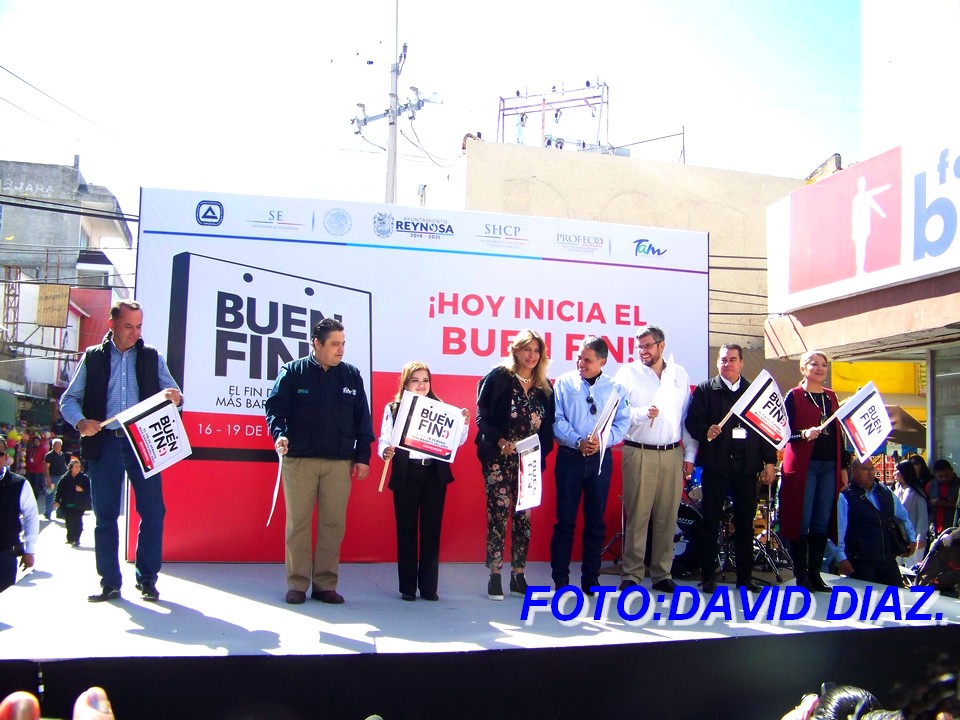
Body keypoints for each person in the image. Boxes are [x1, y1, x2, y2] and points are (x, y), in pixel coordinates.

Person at [60, 299, 183, 603]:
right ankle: (110, 583)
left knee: (153, 511)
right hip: (105, 442)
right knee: (105, 515)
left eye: (139, 326)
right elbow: (68, 400)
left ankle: (148, 580)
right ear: (111, 324)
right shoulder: (92, 357)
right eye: (128, 326)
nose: (135, 332)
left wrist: (176, 398)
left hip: (143, 440)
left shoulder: (152, 356)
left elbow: (175, 396)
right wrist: (81, 422)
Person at [265, 318, 375, 605]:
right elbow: (275, 409)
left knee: (333, 525)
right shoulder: (292, 372)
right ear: (316, 343)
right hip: (299, 461)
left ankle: (325, 584)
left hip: (339, 463)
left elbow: (362, 418)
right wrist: (279, 435)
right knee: (298, 524)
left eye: (343, 344)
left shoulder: (351, 375)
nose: (341, 350)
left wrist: (363, 456)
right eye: (335, 344)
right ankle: (297, 584)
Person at [685, 343, 777, 592]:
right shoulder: (706, 390)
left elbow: (766, 430)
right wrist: (706, 431)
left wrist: (769, 461)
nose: (728, 364)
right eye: (723, 360)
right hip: (716, 467)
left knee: (745, 523)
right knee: (710, 522)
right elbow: (692, 422)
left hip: (747, 469)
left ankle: (745, 577)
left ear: (742, 362)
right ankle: (708, 575)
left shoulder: (753, 392)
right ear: (718, 362)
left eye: (733, 359)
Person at [613, 326, 697, 593]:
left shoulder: (679, 374)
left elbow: (687, 418)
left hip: (672, 453)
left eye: (648, 345)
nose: (643, 351)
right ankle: (632, 573)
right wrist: (641, 413)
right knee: (638, 515)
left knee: (667, 517)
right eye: (639, 346)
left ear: (662, 345)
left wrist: (690, 454)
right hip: (639, 450)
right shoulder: (627, 373)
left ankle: (662, 574)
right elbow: (616, 411)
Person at [378, 361, 469, 601]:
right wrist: (385, 451)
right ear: (405, 383)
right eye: (415, 380)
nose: (421, 385)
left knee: (431, 531)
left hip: (433, 474)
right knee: (406, 530)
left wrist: (463, 424)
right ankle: (407, 588)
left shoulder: (441, 408)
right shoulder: (394, 408)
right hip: (406, 473)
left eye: (425, 380)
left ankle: (429, 588)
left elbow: (455, 442)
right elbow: (384, 439)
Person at [476, 329, 555, 600]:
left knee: (524, 518)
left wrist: (540, 455)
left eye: (536, 351)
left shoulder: (544, 387)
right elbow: (482, 417)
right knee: (498, 515)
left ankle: (518, 575)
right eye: (527, 350)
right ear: (516, 351)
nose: (532, 356)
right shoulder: (499, 377)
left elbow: (548, 428)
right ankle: (495, 575)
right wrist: (500, 441)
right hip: (498, 459)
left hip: (528, 462)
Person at [549, 336, 630, 593]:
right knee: (565, 521)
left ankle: (591, 580)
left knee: (595, 522)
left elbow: (623, 423)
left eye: (587, 360)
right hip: (570, 458)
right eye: (578, 358)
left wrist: (602, 441)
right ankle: (561, 580)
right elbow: (556, 419)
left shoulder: (616, 388)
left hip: (600, 459)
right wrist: (578, 441)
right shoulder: (564, 383)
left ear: (602, 362)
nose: (580, 363)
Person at [779, 351, 847, 592]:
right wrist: (803, 434)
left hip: (829, 465)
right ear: (802, 368)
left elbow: (839, 434)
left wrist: (843, 466)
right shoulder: (794, 396)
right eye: (814, 364)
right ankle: (801, 574)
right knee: (803, 519)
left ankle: (815, 573)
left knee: (822, 520)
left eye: (823, 365)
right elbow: (783, 433)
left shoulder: (831, 397)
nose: (819, 368)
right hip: (803, 466)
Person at [838, 457, 917, 587]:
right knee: (866, 598)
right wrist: (841, 558)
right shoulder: (845, 497)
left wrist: (911, 538)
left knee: (895, 596)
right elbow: (838, 531)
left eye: (872, 469)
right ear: (854, 470)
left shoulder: (885, 492)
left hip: (887, 559)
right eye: (865, 469)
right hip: (861, 562)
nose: (870, 473)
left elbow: (903, 516)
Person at [0, 461, 38, 593]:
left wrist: (30, 550)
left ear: (5, 457)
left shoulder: (19, 483)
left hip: (5, 552)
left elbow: (31, 516)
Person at [893, 459, 928, 568]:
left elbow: (923, 517)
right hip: (898, 536)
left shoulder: (917, 492)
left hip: (913, 536)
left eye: (896, 470)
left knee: (913, 567)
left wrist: (920, 537)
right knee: (897, 567)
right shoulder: (896, 490)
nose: (894, 473)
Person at [54, 459, 91, 547]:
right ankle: (70, 538)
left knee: (78, 521)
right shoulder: (65, 478)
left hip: (79, 503)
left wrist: (82, 490)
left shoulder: (84, 478)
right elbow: (59, 491)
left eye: (79, 467)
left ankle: (76, 539)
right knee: (69, 521)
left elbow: (89, 491)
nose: (78, 468)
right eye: (76, 467)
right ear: (71, 468)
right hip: (67, 503)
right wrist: (56, 501)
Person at [927, 459, 959, 536]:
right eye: (940, 476)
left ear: (951, 470)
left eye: (946, 475)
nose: (944, 479)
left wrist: (950, 504)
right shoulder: (930, 486)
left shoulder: (958, 485)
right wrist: (931, 502)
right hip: (933, 529)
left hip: (954, 530)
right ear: (935, 474)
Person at [44, 438, 69, 521]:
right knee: (50, 495)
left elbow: (64, 465)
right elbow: (46, 468)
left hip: (62, 477)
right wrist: (48, 479)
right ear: (53, 446)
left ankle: (60, 513)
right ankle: (47, 513)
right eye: (56, 445)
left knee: (61, 496)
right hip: (52, 477)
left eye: (59, 445)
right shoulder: (49, 455)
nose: (58, 447)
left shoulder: (62, 455)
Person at [24, 435, 47, 517]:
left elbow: (43, 460)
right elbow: (27, 458)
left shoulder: (43, 450)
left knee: (36, 486)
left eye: (37, 441)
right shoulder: (30, 449)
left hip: (38, 470)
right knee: (30, 485)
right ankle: (30, 499)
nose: (35, 443)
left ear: (40, 442)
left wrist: (39, 466)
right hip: (30, 470)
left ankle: (35, 500)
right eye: (34, 441)